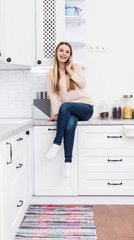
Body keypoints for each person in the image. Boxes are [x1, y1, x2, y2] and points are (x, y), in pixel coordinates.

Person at [46, 42, 93, 178]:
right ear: (56, 53)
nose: (64, 54)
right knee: (70, 124)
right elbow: (53, 95)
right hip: (70, 112)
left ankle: (56, 143)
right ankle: (68, 163)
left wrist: (70, 71)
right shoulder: (50, 74)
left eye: (67, 52)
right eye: (61, 50)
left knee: (65, 105)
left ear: (70, 56)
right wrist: (57, 114)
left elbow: (83, 84)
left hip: (85, 107)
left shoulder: (76, 67)